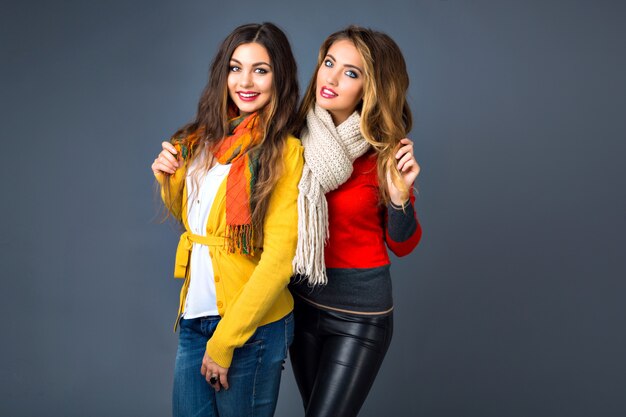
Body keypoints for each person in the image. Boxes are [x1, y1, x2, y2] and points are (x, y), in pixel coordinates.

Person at [151, 22, 303, 417]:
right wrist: (168, 180)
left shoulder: (285, 151)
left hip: (251, 328)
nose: (245, 81)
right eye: (236, 68)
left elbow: (279, 260)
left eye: (261, 69)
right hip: (194, 319)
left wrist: (224, 342)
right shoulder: (202, 141)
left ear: (279, 77)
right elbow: (199, 225)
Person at [289, 26, 423, 417]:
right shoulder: (292, 137)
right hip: (299, 302)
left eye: (351, 72)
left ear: (371, 87)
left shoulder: (385, 152)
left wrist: (399, 199)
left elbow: (403, 244)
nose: (330, 78)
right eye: (329, 63)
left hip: (359, 318)